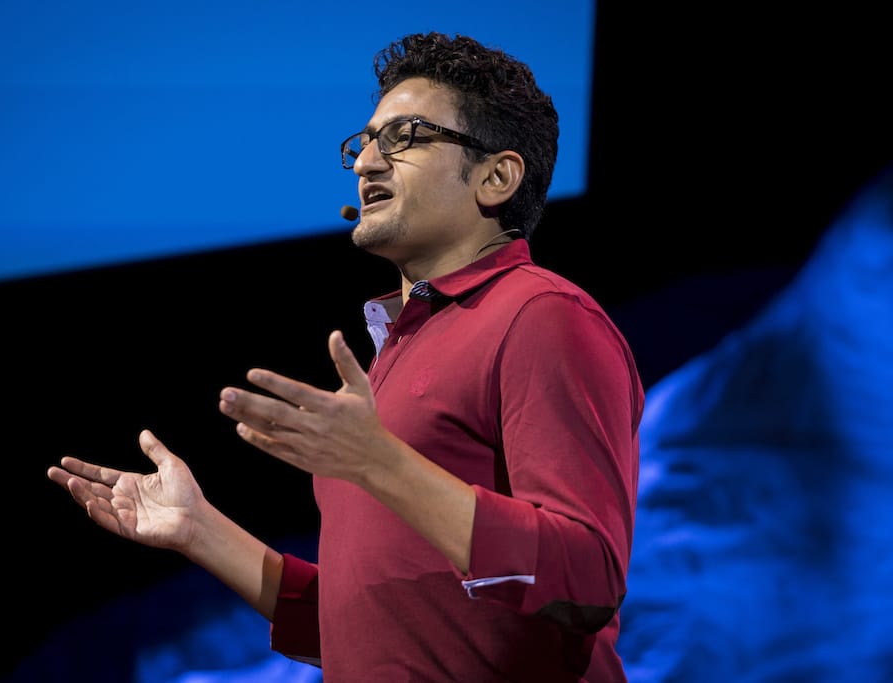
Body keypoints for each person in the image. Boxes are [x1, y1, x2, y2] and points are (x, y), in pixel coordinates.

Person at [48, 31, 644, 682]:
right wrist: (200, 530)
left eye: (407, 136)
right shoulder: (394, 350)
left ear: (497, 177)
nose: (365, 164)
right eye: (364, 144)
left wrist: (380, 462)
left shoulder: (542, 316)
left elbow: (586, 578)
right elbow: (359, 630)